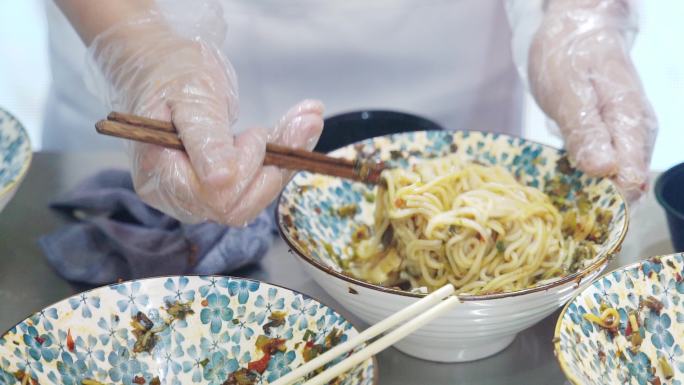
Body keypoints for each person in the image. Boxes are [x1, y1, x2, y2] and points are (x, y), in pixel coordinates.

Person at [47, 0, 656, 226]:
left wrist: (581, 17)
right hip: (152, 31)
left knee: (467, 234)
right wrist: (140, 51)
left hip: (448, 62)